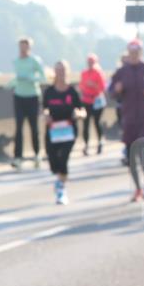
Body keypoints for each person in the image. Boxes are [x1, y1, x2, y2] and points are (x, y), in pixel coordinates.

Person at [109, 39, 144, 202]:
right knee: (131, 156)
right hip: (129, 119)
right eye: (131, 52)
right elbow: (111, 91)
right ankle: (138, 188)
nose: (134, 55)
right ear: (128, 53)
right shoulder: (122, 72)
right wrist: (116, 89)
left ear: (141, 52)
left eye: (137, 52)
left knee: (140, 149)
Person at [43, 61, 86, 205]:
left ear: (67, 72)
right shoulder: (49, 91)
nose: (60, 73)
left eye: (63, 70)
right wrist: (46, 115)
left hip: (68, 130)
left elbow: (82, 110)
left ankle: (61, 188)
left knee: (64, 159)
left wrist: (78, 114)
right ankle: (59, 179)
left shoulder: (72, 91)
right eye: (58, 70)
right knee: (53, 162)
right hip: (53, 131)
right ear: (54, 72)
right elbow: (44, 108)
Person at [5, 37, 47, 169]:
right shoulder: (16, 61)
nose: (23, 49)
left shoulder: (35, 61)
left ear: (29, 47)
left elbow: (43, 77)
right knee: (19, 127)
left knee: (34, 127)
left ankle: (37, 154)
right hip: (19, 96)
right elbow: (16, 78)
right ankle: (18, 157)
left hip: (33, 96)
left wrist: (31, 78)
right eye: (21, 46)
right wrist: (11, 83)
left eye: (25, 46)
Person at [78, 53, 107, 156]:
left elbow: (103, 87)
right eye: (89, 62)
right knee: (86, 124)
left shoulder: (98, 73)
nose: (90, 64)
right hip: (86, 101)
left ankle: (100, 142)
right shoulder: (84, 73)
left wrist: (94, 85)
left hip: (96, 101)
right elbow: (81, 85)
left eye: (92, 62)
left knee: (96, 122)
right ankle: (86, 145)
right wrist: (85, 87)